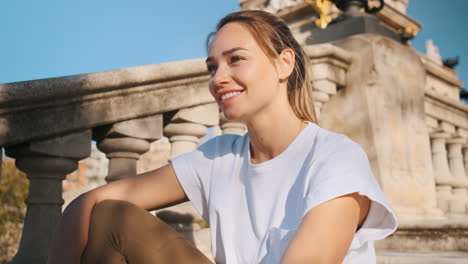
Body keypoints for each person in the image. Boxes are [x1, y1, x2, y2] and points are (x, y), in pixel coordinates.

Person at [48, 10, 397, 264]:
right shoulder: (219, 156)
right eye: (213, 67)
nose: (218, 79)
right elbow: (88, 204)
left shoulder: (334, 157)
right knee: (112, 217)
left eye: (236, 60)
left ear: (284, 64)